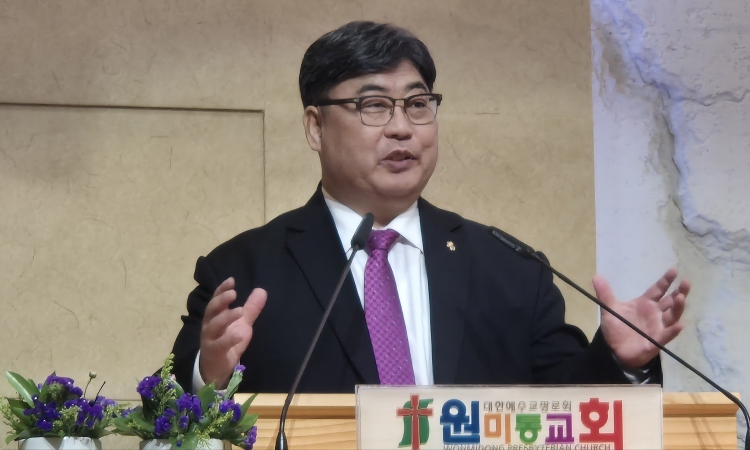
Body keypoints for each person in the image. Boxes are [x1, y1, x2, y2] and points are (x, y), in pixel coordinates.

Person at [170, 21, 689, 394]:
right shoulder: (243, 272)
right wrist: (208, 376)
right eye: (374, 105)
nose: (402, 128)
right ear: (315, 127)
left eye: (418, 104)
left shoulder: (511, 269)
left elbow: (569, 410)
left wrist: (620, 361)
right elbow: (165, 409)